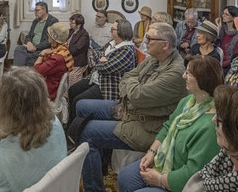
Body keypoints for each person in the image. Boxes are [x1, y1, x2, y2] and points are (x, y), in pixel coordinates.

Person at [78, 23, 187, 192]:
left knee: (88, 133)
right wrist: (132, 88)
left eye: (150, 38)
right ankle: (99, 163)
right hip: (130, 109)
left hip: (148, 127)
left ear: (165, 45)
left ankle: (94, 187)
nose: (145, 41)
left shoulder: (175, 72)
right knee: (82, 106)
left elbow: (137, 96)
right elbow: (128, 77)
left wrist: (132, 89)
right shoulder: (154, 58)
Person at [118, 56, 223, 192]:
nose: (183, 75)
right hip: (165, 158)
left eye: (189, 73)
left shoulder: (210, 125)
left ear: (203, 79)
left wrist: (159, 179)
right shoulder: (187, 101)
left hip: (182, 181)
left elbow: (193, 174)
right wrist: (151, 152)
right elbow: (168, 126)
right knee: (125, 177)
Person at [67, 19, 136, 126]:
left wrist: (100, 60)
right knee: (72, 90)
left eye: (113, 29)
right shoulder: (112, 43)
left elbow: (105, 67)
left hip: (108, 85)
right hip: (98, 77)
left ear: (121, 32)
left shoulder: (127, 50)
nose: (110, 31)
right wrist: (102, 59)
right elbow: (97, 51)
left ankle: (74, 128)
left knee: (77, 100)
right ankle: (70, 123)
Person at [33, 22, 74, 101]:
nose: (48, 35)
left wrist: (41, 54)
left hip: (48, 92)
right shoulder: (63, 50)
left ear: (54, 38)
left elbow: (36, 72)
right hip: (52, 87)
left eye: (49, 34)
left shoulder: (57, 58)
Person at [13, 2, 58, 66]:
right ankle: (18, 72)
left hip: (42, 49)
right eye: (35, 10)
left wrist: (35, 47)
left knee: (24, 58)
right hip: (31, 48)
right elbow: (29, 35)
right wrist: (28, 42)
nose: (35, 12)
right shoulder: (35, 21)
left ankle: (17, 73)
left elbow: (51, 40)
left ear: (44, 10)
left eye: (37, 10)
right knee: (19, 49)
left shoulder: (53, 21)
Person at [214, 6, 238, 73]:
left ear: (234, 17)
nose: (223, 16)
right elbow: (215, 46)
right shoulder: (223, 29)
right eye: (223, 13)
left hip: (230, 66)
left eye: (226, 14)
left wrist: (220, 65)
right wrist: (218, 29)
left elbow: (235, 57)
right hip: (218, 60)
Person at [67, 13, 90, 86]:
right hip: (69, 58)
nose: (70, 24)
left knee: (72, 76)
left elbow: (75, 49)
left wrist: (64, 49)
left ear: (79, 25)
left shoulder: (84, 35)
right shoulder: (71, 31)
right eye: (70, 22)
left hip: (78, 61)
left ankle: (71, 95)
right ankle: (65, 94)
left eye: (72, 23)